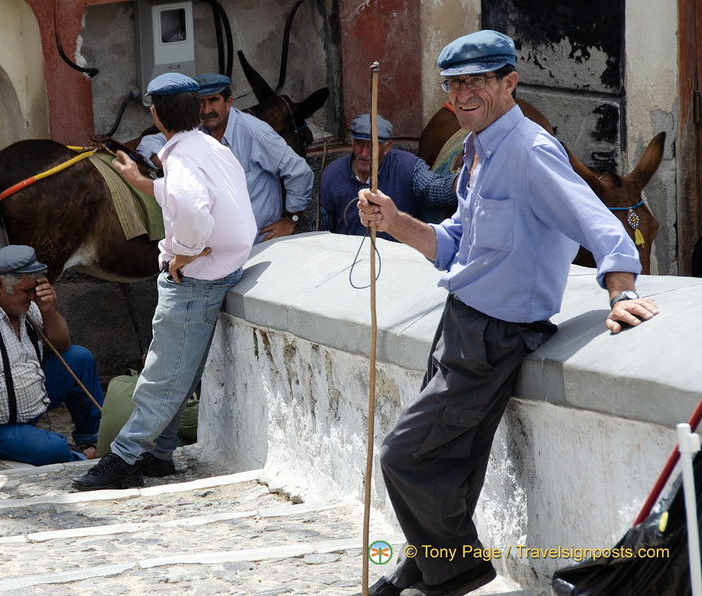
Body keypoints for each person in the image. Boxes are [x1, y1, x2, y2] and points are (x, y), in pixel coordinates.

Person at [358, 30, 659, 596]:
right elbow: (454, 244)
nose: (463, 95)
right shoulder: (477, 149)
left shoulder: (529, 151)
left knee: (404, 453)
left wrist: (621, 293)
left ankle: (456, 570)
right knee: (449, 458)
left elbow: (601, 225)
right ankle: (424, 562)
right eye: (454, 85)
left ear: (509, 82)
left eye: (477, 82)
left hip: (497, 335)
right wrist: (394, 221)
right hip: (460, 321)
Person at [72, 73, 256, 491]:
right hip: (219, 271)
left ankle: (124, 458)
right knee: (181, 371)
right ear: (196, 110)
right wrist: (141, 183)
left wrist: (186, 252)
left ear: (156, 115)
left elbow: (191, 206)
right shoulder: (209, 147)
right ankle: (158, 454)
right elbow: (194, 196)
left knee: (163, 374)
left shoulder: (182, 160)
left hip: (195, 278)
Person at [0, 245, 104, 467]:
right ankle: (82, 456)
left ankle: (93, 438)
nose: (32, 296)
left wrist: (48, 310)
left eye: (35, 289)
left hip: (27, 408)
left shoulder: (23, 304)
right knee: (54, 449)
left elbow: (61, 345)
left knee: (79, 358)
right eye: (27, 290)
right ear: (0, 285)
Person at [137, 73, 312, 243]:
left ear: (228, 102)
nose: (206, 110)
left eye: (213, 100)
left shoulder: (254, 132)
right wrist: (168, 159)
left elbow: (299, 171)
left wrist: (291, 220)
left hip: (258, 243)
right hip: (217, 246)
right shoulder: (196, 128)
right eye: (200, 102)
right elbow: (149, 142)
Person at [318, 113, 456, 238]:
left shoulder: (408, 166)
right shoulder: (332, 174)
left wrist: (462, 182)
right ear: (351, 142)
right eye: (359, 144)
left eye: (372, 146)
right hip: (348, 254)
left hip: (399, 254)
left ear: (387, 147)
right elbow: (323, 231)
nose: (364, 153)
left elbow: (435, 189)